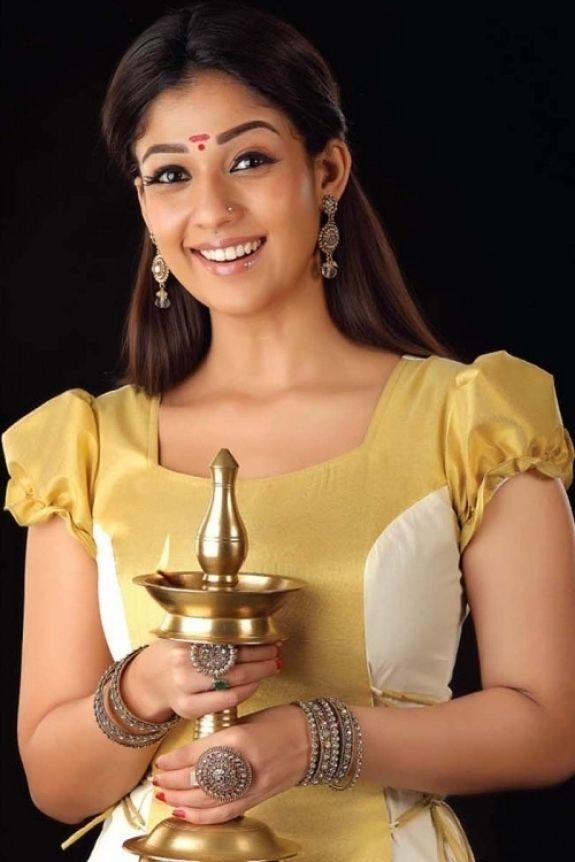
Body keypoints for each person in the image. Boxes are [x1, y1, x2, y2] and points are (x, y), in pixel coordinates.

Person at [2, 2, 574, 861]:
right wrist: (143, 688)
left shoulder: (473, 421)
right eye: (171, 174)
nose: (212, 210)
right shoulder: (85, 448)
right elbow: (56, 785)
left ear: (328, 169)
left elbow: (545, 729)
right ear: (143, 204)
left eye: (249, 160)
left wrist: (313, 739)